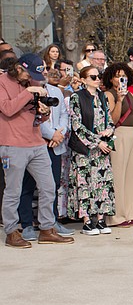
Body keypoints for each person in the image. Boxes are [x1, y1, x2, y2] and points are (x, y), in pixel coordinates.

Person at [0, 55, 75, 247]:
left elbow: (32, 116)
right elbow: (7, 109)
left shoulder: (30, 82)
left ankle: (47, 228)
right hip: (12, 144)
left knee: (48, 186)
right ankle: (11, 232)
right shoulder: (2, 82)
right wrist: (29, 92)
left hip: (36, 142)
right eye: (27, 73)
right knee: (13, 190)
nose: (29, 77)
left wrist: (44, 113)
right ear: (17, 68)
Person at [68, 65, 116, 236]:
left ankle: (101, 219)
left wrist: (109, 132)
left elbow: (109, 120)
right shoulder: (76, 97)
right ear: (83, 80)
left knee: (102, 183)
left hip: (102, 149)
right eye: (93, 77)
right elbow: (77, 126)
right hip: (84, 149)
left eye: (98, 76)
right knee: (85, 183)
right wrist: (97, 142)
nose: (97, 80)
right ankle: (87, 220)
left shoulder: (102, 97)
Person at [102, 63, 133, 227]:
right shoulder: (109, 94)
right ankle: (116, 216)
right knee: (118, 177)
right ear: (110, 78)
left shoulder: (131, 95)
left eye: (124, 76)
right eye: (117, 76)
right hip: (119, 135)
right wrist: (119, 100)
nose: (122, 79)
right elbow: (112, 119)